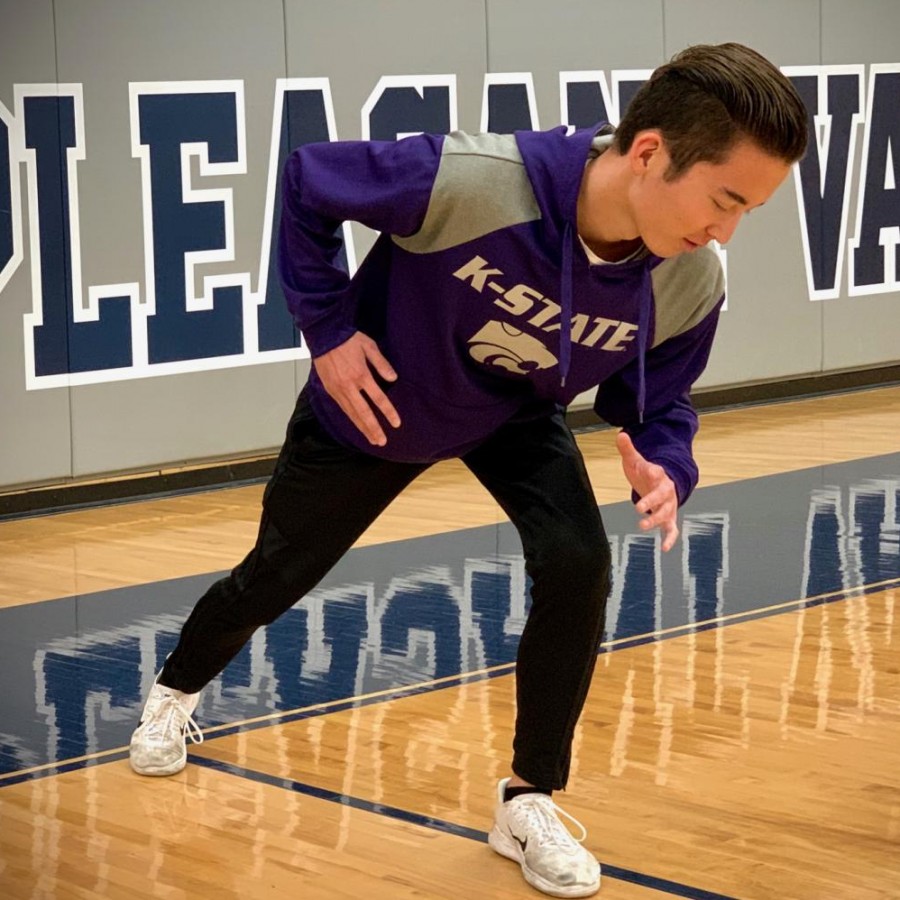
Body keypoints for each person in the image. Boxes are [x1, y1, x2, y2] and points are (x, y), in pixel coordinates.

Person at [129, 42, 808, 898]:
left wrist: (669, 464)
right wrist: (331, 334)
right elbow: (307, 180)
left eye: (750, 211)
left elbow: (658, 404)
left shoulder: (689, 280)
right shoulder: (474, 180)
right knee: (277, 573)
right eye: (725, 199)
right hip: (386, 397)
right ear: (649, 154)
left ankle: (527, 801)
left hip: (515, 412)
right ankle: (174, 693)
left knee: (578, 563)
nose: (726, 230)